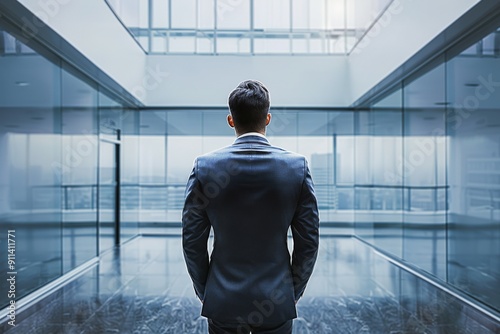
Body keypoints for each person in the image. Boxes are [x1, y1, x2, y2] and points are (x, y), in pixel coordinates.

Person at [182, 80, 319, 334]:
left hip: (223, 297)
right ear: (268, 118)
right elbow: (308, 243)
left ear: (231, 120)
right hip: (276, 298)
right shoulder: (296, 167)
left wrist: (206, 290)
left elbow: (192, 241)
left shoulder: (205, 167)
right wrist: (292, 291)